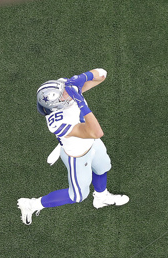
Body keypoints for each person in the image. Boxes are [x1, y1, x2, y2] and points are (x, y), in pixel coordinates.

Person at [17, 68, 129, 225]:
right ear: (56, 105)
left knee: (103, 167)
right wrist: (81, 102)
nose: (66, 93)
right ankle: (31, 204)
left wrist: (84, 77)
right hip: (78, 155)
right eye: (62, 95)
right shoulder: (57, 122)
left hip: (91, 143)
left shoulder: (64, 87)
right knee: (77, 195)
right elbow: (96, 132)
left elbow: (102, 74)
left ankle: (101, 197)